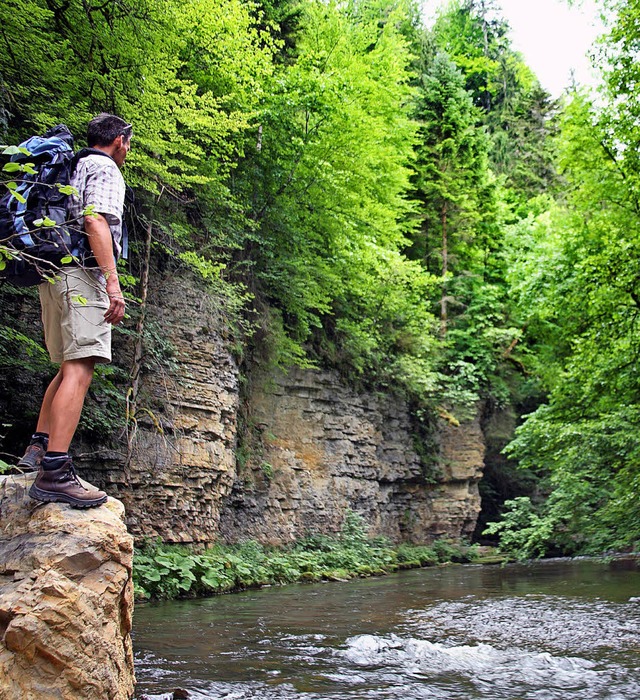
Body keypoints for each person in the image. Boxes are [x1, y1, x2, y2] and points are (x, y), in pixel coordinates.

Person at [17, 113, 131, 508]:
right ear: (119, 140)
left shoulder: (74, 164)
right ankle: (55, 472)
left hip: (53, 271)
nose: (127, 150)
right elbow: (95, 220)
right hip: (81, 275)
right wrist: (112, 282)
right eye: (127, 143)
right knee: (81, 366)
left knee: (68, 364)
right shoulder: (104, 168)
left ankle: (38, 449)